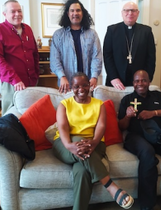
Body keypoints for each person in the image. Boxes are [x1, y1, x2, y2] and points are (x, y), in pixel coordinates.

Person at [52, 72, 134, 210]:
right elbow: (63, 128)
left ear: (89, 85)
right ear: (72, 87)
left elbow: (101, 126)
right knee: (79, 141)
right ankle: (110, 186)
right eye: (76, 86)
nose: (81, 89)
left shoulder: (99, 104)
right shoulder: (64, 105)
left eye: (84, 85)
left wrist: (94, 142)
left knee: (82, 172)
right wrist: (69, 145)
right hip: (64, 144)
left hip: (94, 144)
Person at [118, 70, 161, 210]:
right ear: (133, 83)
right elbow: (121, 126)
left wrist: (154, 113)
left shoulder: (158, 96)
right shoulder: (127, 99)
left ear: (149, 82)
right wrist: (128, 116)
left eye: (143, 80)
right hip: (136, 138)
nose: (140, 84)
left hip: (158, 136)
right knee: (147, 153)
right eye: (137, 81)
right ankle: (147, 205)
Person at [0, 0, 39, 115]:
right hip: (12, 83)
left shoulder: (28, 29)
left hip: (31, 80)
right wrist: (15, 79)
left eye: (19, 11)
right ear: (4, 14)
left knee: (31, 113)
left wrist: (36, 74)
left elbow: (35, 54)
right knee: (10, 115)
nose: (17, 14)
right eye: (13, 11)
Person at [50, 0, 102, 94]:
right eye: (72, 10)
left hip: (88, 84)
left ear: (82, 13)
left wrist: (94, 76)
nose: (75, 13)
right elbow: (54, 60)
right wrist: (62, 77)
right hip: (67, 85)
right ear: (67, 14)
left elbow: (97, 57)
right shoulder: (58, 35)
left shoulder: (92, 34)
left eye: (78, 10)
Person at [103, 1, 156, 90]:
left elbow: (151, 57)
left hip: (139, 81)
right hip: (116, 80)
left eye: (133, 10)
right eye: (126, 10)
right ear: (122, 13)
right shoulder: (112, 30)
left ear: (138, 13)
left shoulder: (146, 31)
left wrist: (147, 78)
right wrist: (113, 77)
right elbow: (107, 56)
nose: (130, 13)